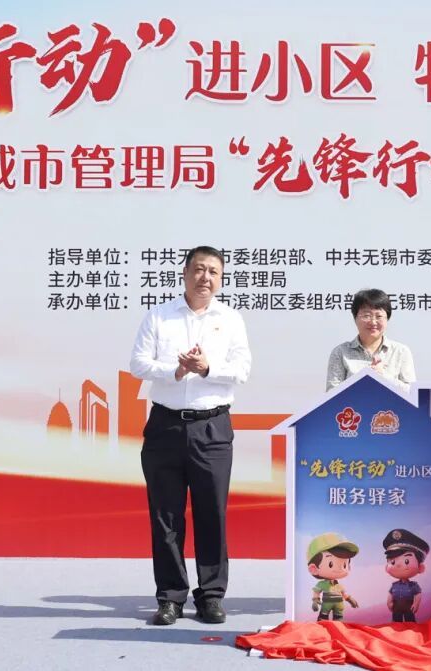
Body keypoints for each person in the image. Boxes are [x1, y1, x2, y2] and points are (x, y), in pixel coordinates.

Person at [129, 246, 252, 626]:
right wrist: (176, 371)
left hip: (212, 427)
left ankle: (211, 596)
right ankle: (170, 597)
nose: (205, 277)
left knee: (211, 513)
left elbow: (242, 370)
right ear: (184, 273)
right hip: (165, 426)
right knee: (166, 516)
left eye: (213, 271)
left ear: (221, 279)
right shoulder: (159, 315)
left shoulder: (231, 319)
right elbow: (138, 364)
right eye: (199, 269)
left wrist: (207, 368)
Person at [326, 289, 416, 392]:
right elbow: (331, 394)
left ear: (387, 318)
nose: (373, 322)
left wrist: (383, 376)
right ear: (355, 318)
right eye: (366, 316)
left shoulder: (401, 351)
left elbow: (412, 393)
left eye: (379, 316)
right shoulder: (341, 352)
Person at [307, 533, 360, 621]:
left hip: (339, 606)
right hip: (326, 606)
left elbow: (344, 594)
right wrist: (315, 600)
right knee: (323, 619)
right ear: (314, 568)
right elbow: (316, 592)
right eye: (330, 564)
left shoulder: (339, 585)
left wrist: (350, 599)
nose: (340, 569)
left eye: (344, 565)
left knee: (338, 620)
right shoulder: (322, 584)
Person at [383, 528, 429, 623]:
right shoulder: (394, 585)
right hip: (396, 606)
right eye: (392, 562)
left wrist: (416, 604)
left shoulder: (413, 586)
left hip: (409, 606)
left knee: (410, 620)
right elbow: (390, 594)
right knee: (396, 621)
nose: (398, 565)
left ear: (420, 567)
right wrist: (389, 602)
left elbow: (418, 594)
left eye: (406, 561)